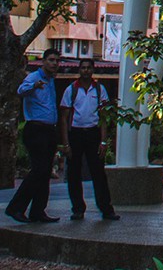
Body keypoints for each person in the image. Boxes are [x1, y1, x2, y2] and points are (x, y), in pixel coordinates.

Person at [5, 48, 64, 223]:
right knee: (38, 170)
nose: (54, 64)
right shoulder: (34, 77)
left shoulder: (51, 80)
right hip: (35, 129)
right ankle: (15, 208)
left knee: (45, 172)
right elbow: (21, 91)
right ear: (44, 61)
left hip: (49, 130)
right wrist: (34, 86)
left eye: (57, 61)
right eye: (51, 60)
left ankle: (38, 211)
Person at [58, 58, 119, 220]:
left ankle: (106, 208)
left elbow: (104, 117)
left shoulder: (99, 89)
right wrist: (65, 143)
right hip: (76, 134)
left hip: (93, 133)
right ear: (79, 70)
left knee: (98, 172)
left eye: (89, 68)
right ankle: (78, 208)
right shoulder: (71, 90)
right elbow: (64, 118)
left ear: (93, 70)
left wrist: (103, 141)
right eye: (83, 68)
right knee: (74, 173)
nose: (86, 70)